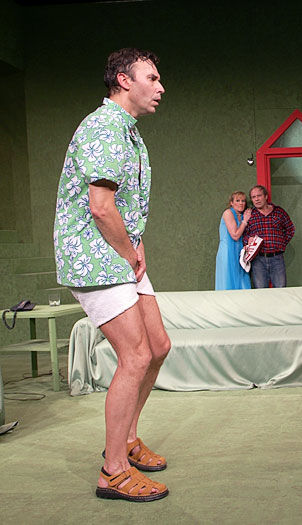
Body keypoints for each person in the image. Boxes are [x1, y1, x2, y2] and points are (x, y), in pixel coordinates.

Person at [53, 48, 171, 501]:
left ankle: (126, 440)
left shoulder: (127, 131)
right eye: (152, 78)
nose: (160, 87)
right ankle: (114, 471)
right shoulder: (104, 127)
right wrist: (129, 253)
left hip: (120, 252)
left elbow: (122, 205)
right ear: (124, 80)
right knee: (135, 356)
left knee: (157, 347)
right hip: (96, 255)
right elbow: (101, 208)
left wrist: (135, 247)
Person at [243, 184, 295, 288]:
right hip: (258, 260)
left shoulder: (279, 212)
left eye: (259, 196)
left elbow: (290, 229)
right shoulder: (250, 214)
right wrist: (248, 240)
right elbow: (244, 234)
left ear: (266, 196)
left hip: (277, 258)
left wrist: (281, 243)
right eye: (253, 197)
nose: (256, 199)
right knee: (261, 291)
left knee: (281, 290)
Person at [215, 191, 252, 290]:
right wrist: (245, 221)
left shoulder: (243, 215)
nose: (241, 203)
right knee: (228, 280)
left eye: (243, 201)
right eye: (238, 200)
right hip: (227, 251)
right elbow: (235, 235)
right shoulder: (228, 213)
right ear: (231, 203)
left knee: (242, 281)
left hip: (240, 252)